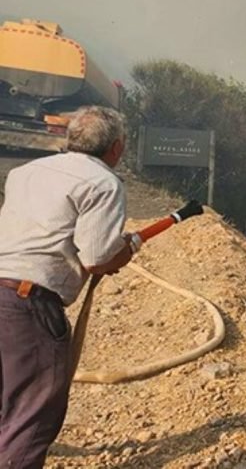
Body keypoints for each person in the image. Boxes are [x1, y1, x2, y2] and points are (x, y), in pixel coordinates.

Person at [0, 106, 142, 468]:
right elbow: (96, 257)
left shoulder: (24, 173)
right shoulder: (103, 183)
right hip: (26, 304)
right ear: (116, 149)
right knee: (30, 415)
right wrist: (122, 254)